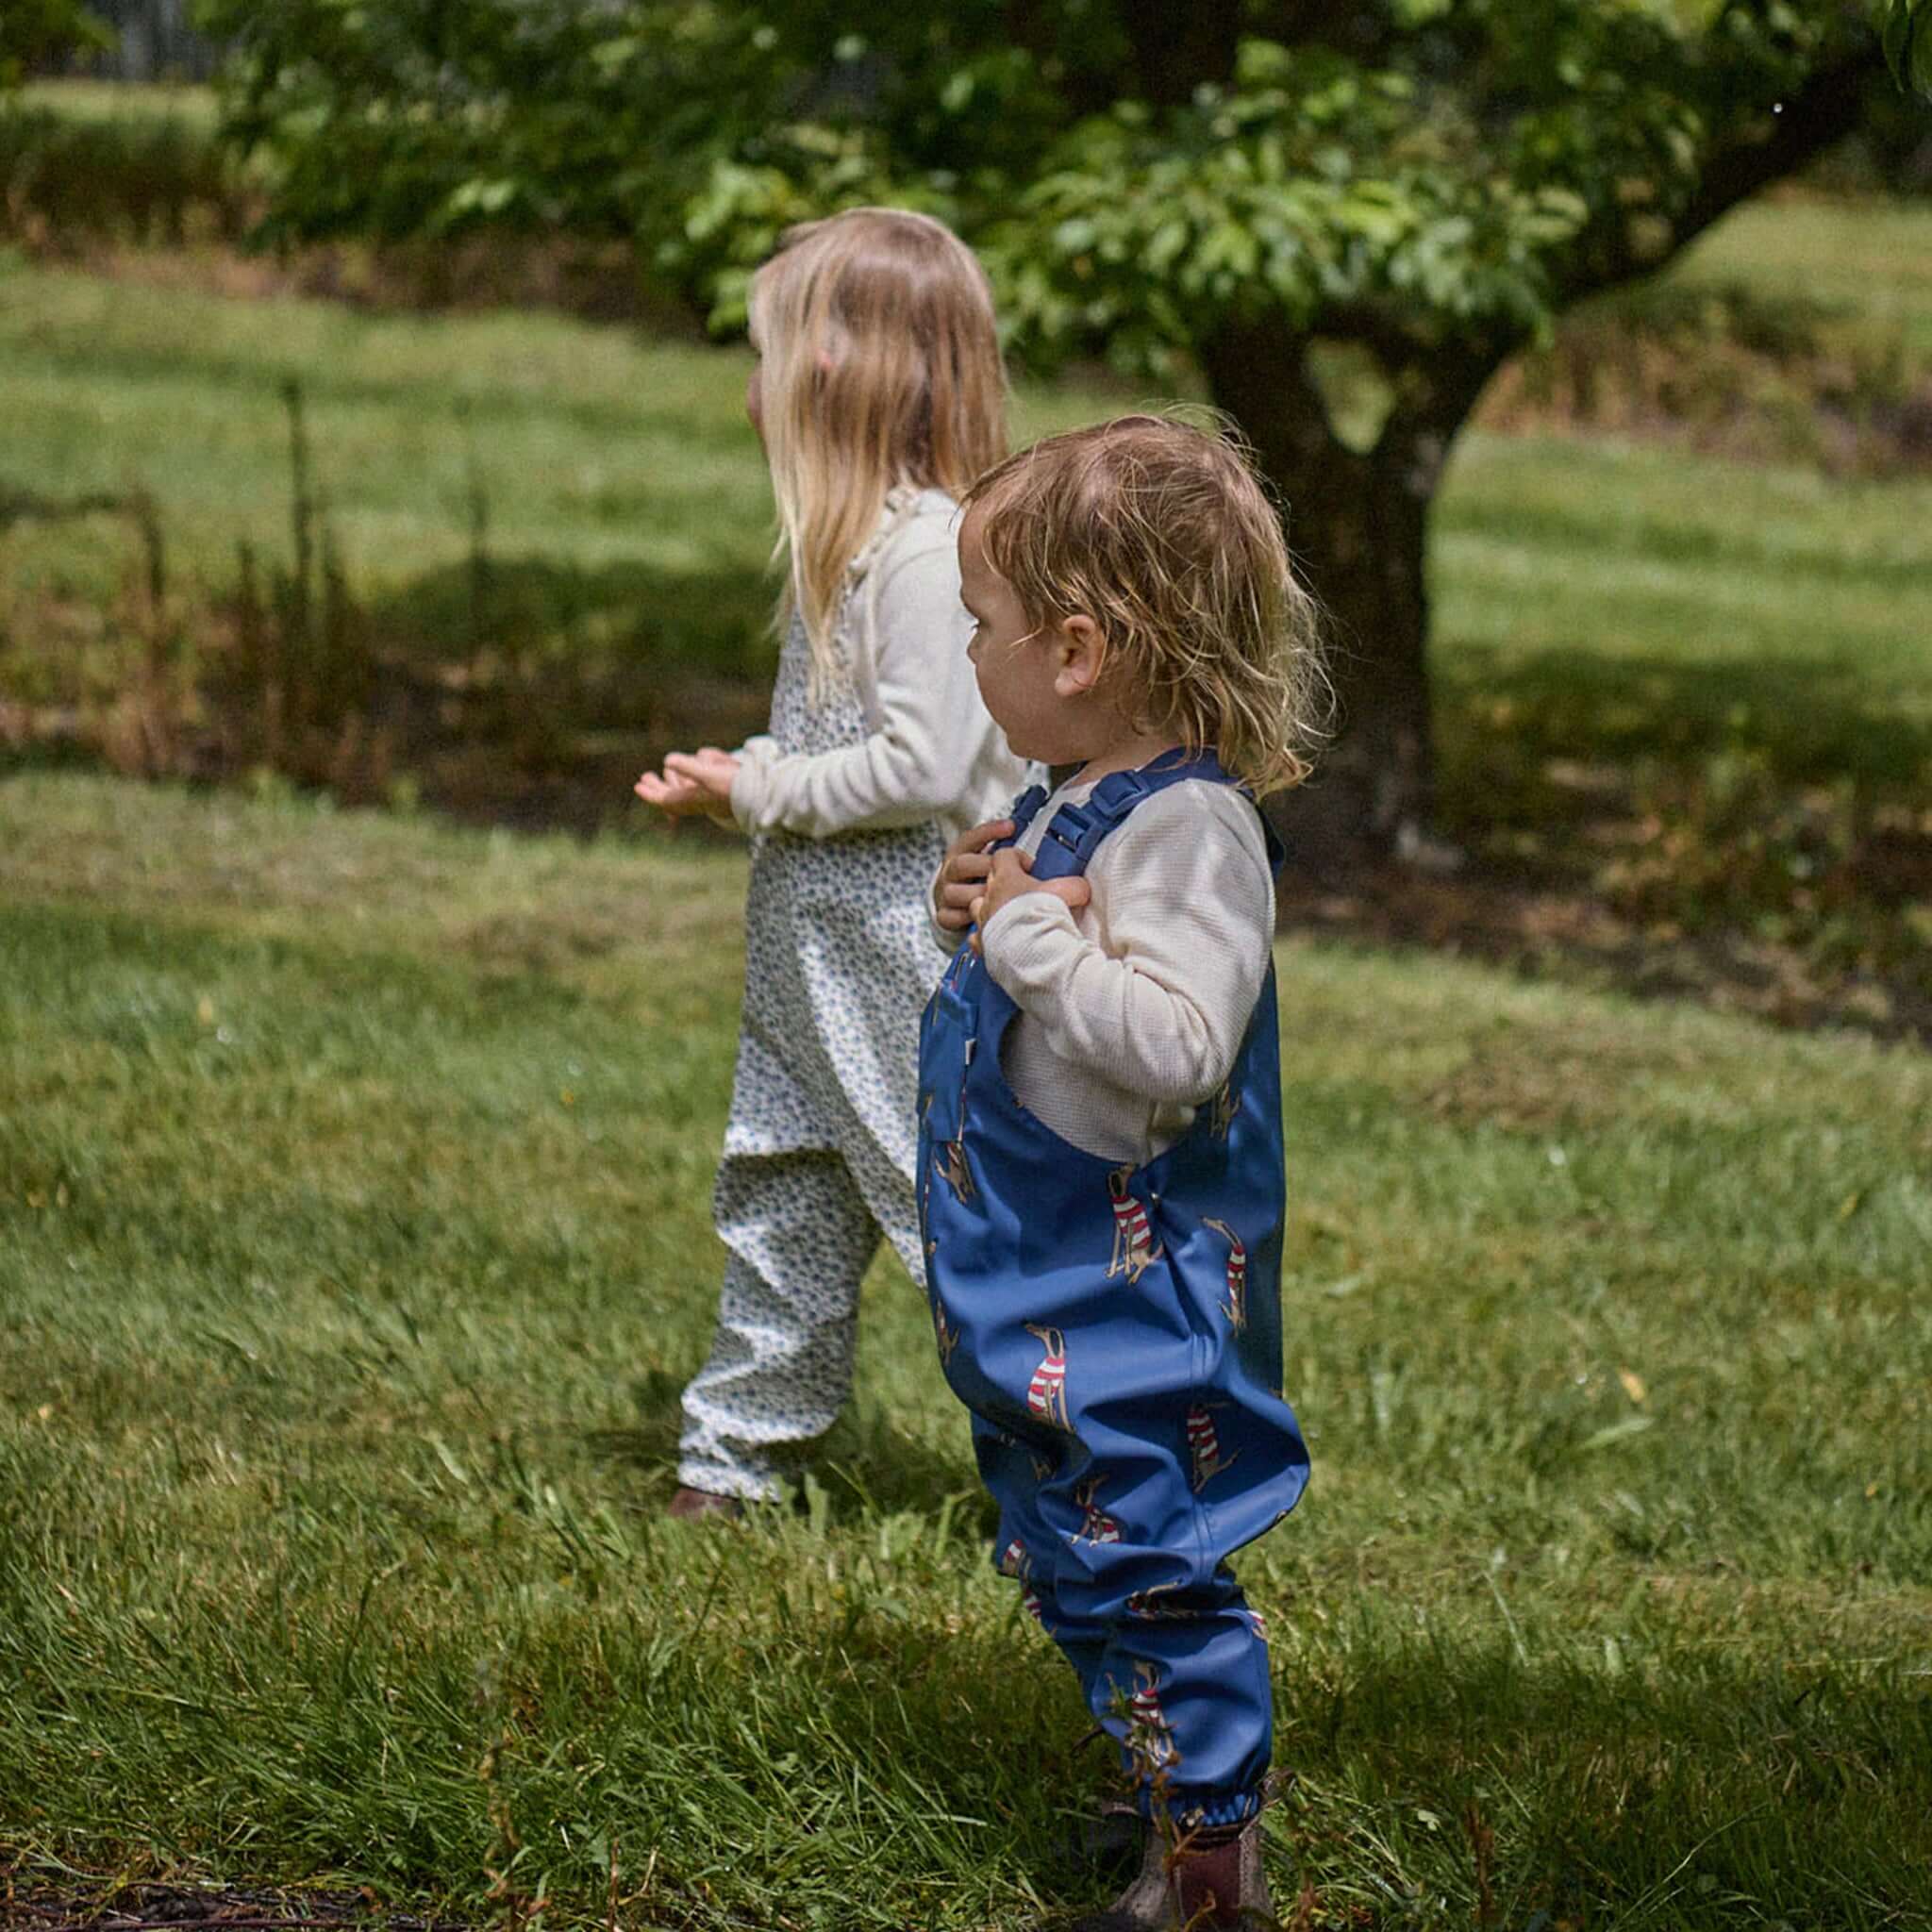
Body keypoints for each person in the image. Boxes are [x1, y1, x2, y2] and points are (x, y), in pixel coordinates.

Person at [921, 416, 1325, 1929]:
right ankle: (1159, 1774)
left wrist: (1025, 934)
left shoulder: (1194, 831)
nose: (973, 652)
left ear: (1079, 647)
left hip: (1131, 1290)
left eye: (983, 625)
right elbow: (1034, 998)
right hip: (1041, 1278)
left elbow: (1173, 1040)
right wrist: (975, 904)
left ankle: (1210, 1859)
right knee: (1075, 1543)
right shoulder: (1073, 791)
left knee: (1144, 1554)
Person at [635, 208, 1026, 1516]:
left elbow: (918, 770)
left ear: (833, 377)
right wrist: (743, 773)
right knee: (781, 1186)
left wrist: (761, 788)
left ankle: (1085, 1470)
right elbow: (845, 740)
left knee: (945, 1215)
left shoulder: (926, 555)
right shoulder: (845, 548)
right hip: (810, 958)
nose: (748, 387)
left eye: (765, 353)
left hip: (903, 953)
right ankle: (736, 1460)